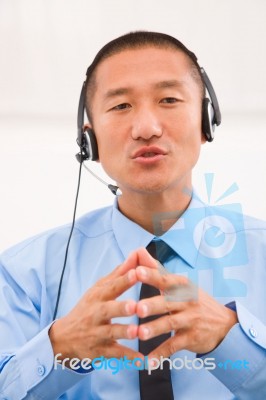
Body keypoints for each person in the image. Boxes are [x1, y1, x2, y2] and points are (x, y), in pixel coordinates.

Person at [0, 31, 266, 400]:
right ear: (88, 140)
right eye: (121, 106)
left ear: (205, 122)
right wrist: (58, 348)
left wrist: (231, 339)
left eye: (169, 99)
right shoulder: (22, 273)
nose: (146, 129)